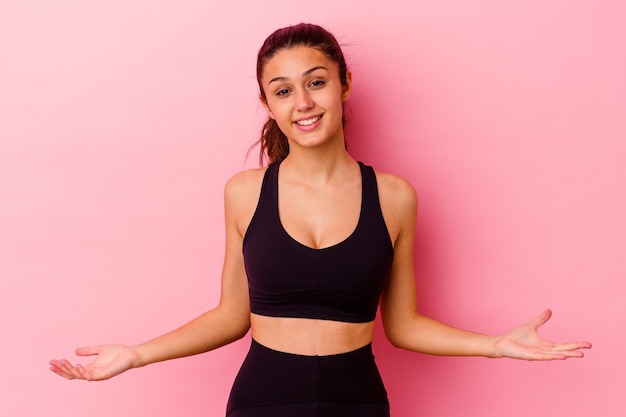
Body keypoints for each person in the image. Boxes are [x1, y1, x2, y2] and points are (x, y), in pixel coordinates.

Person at [49, 23, 591, 416]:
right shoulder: (245, 193)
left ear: (344, 84)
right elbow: (231, 315)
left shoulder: (395, 196)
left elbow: (402, 326)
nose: (303, 103)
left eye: (316, 82)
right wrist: (137, 354)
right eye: (283, 91)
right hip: (263, 399)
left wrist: (496, 344)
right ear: (268, 103)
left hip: (356, 400)